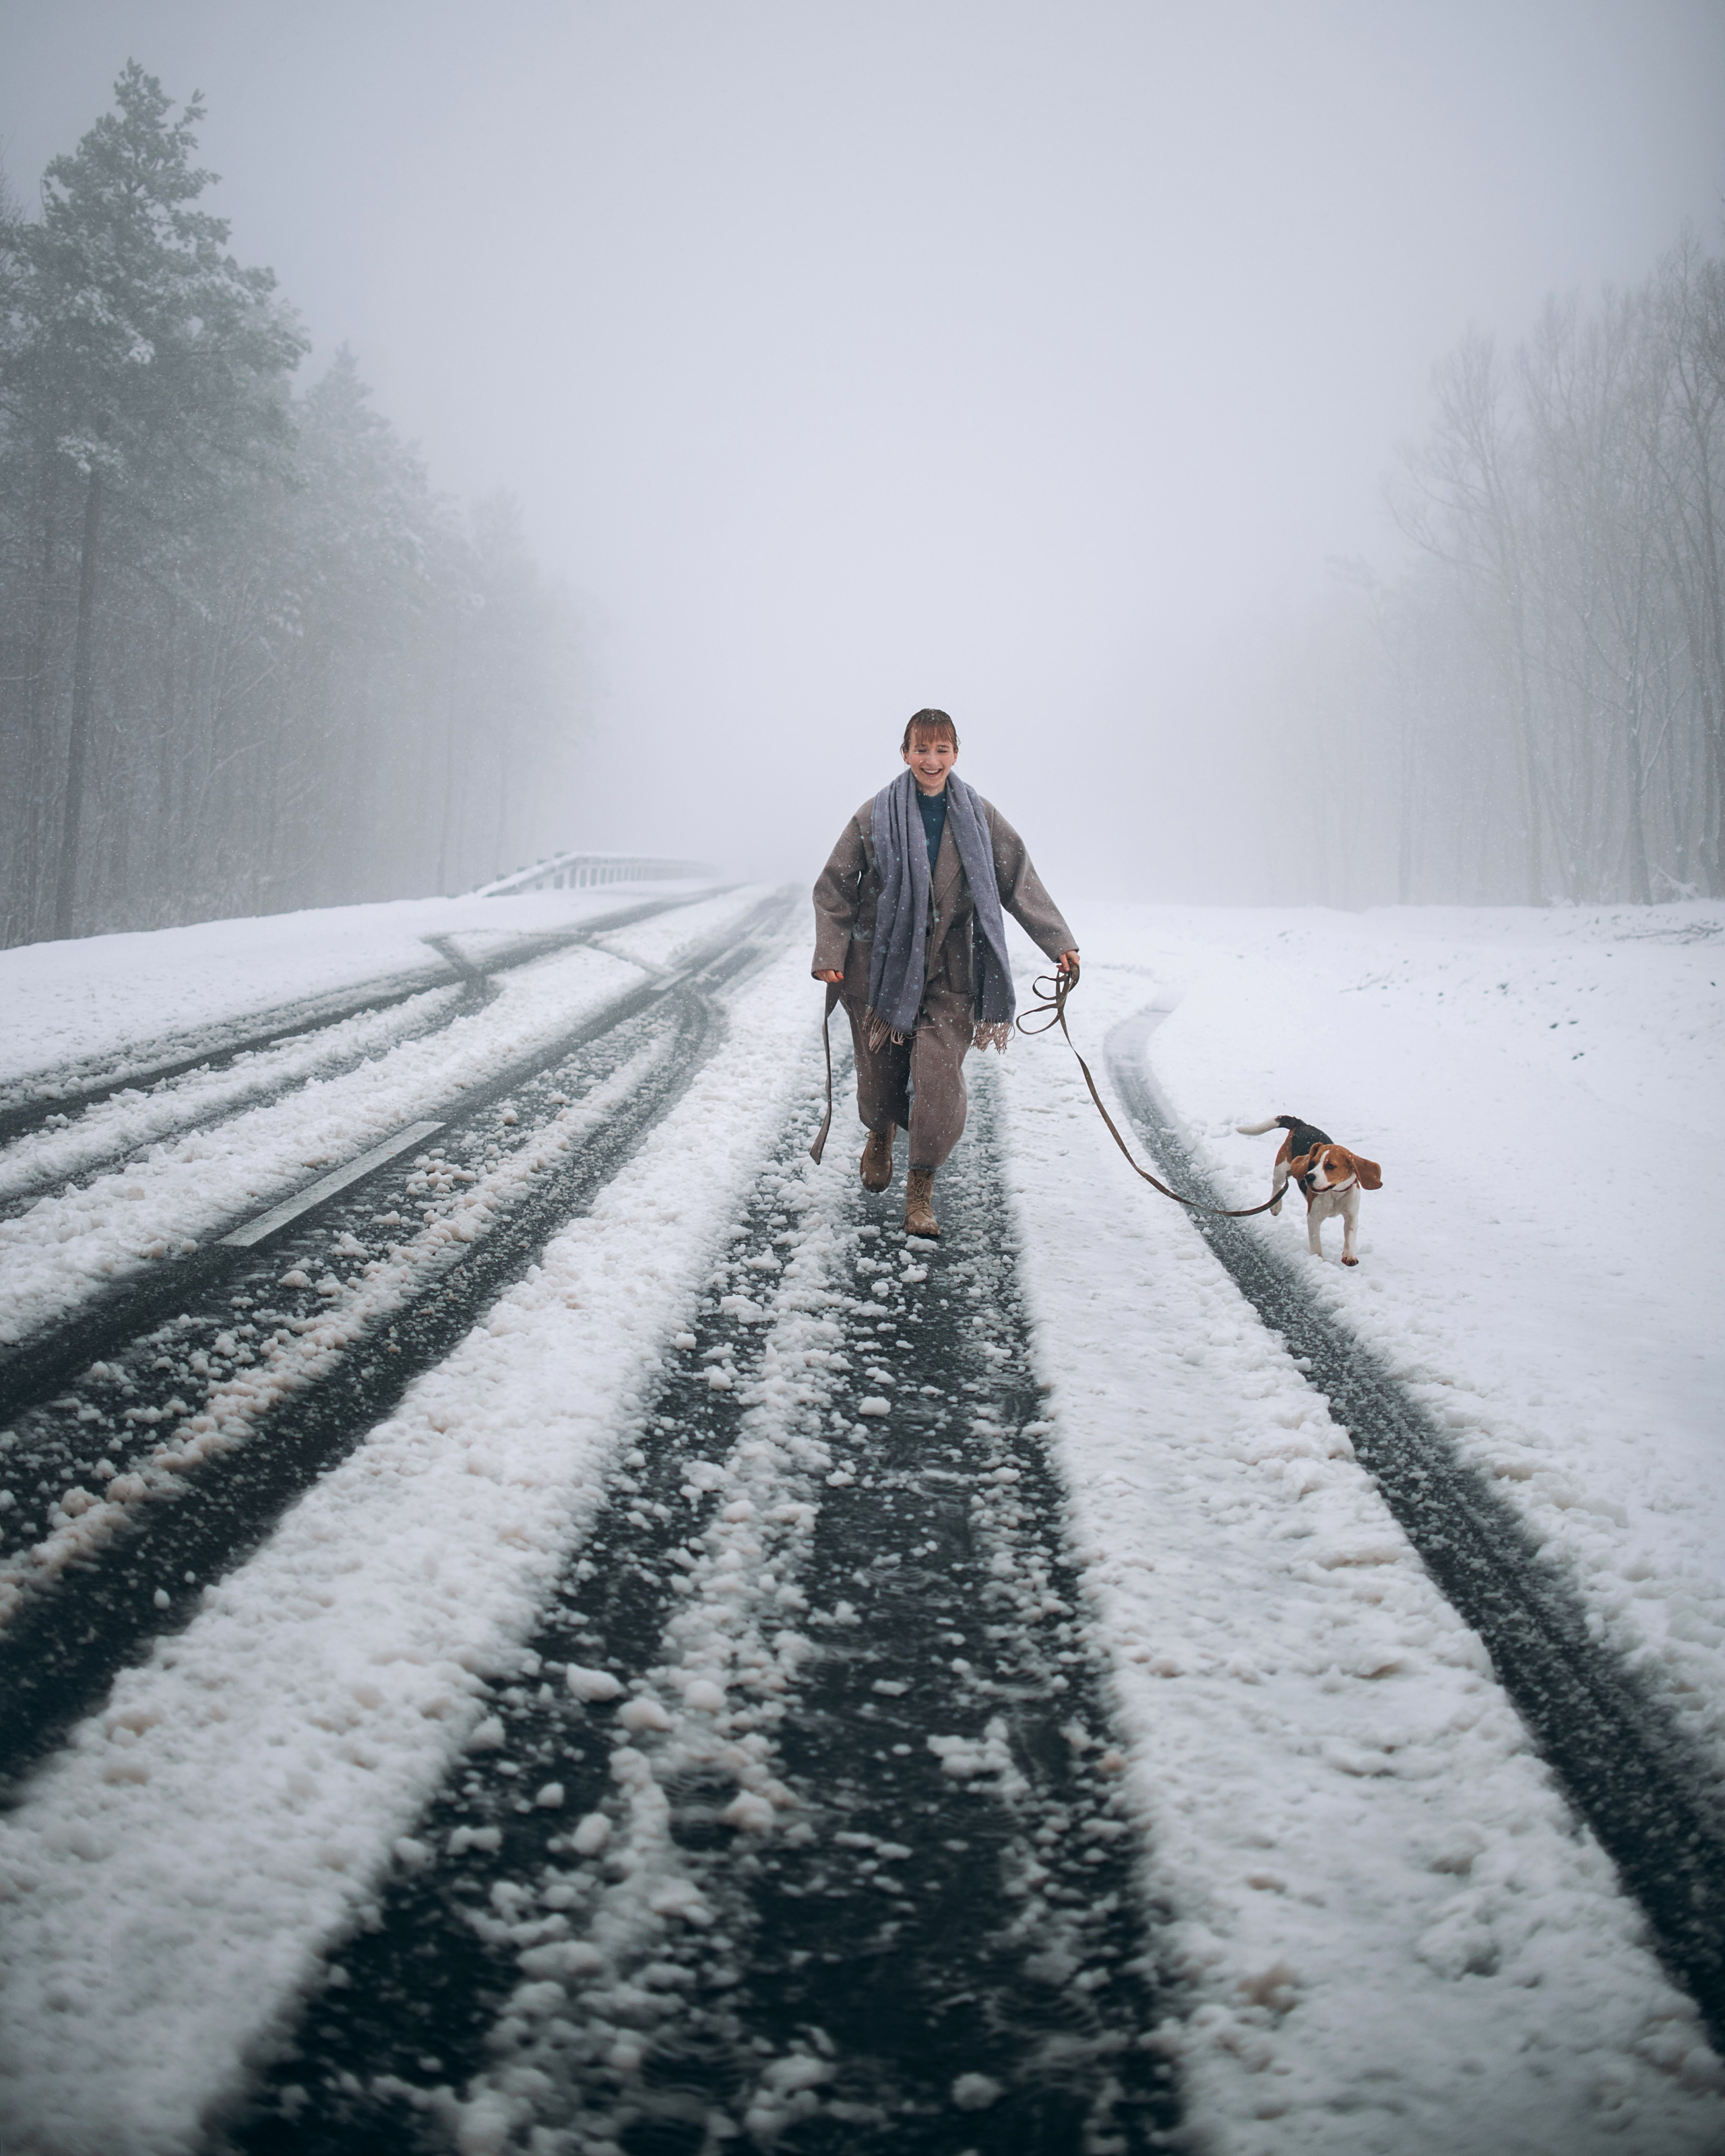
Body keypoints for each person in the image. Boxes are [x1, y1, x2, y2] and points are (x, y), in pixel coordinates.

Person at [811, 709, 1079, 1238]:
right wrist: (830, 953)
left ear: (956, 753)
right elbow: (835, 887)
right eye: (921, 750)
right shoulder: (874, 815)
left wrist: (1059, 942)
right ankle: (881, 1131)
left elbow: (1018, 880)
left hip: (951, 970)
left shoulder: (978, 816)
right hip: (880, 967)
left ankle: (920, 1191)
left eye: (942, 750)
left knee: (938, 1080)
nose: (931, 761)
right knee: (880, 1072)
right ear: (905, 752)